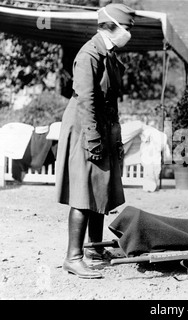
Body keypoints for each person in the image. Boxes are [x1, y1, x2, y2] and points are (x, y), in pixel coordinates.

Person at [55, 3, 136, 279]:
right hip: (84, 128)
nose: (129, 34)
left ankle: (94, 247)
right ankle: (73, 257)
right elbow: (86, 101)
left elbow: (110, 99)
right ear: (110, 26)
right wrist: (93, 139)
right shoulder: (89, 54)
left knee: (99, 189)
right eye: (126, 28)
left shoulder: (110, 55)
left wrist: (114, 135)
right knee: (83, 192)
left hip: (102, 127)